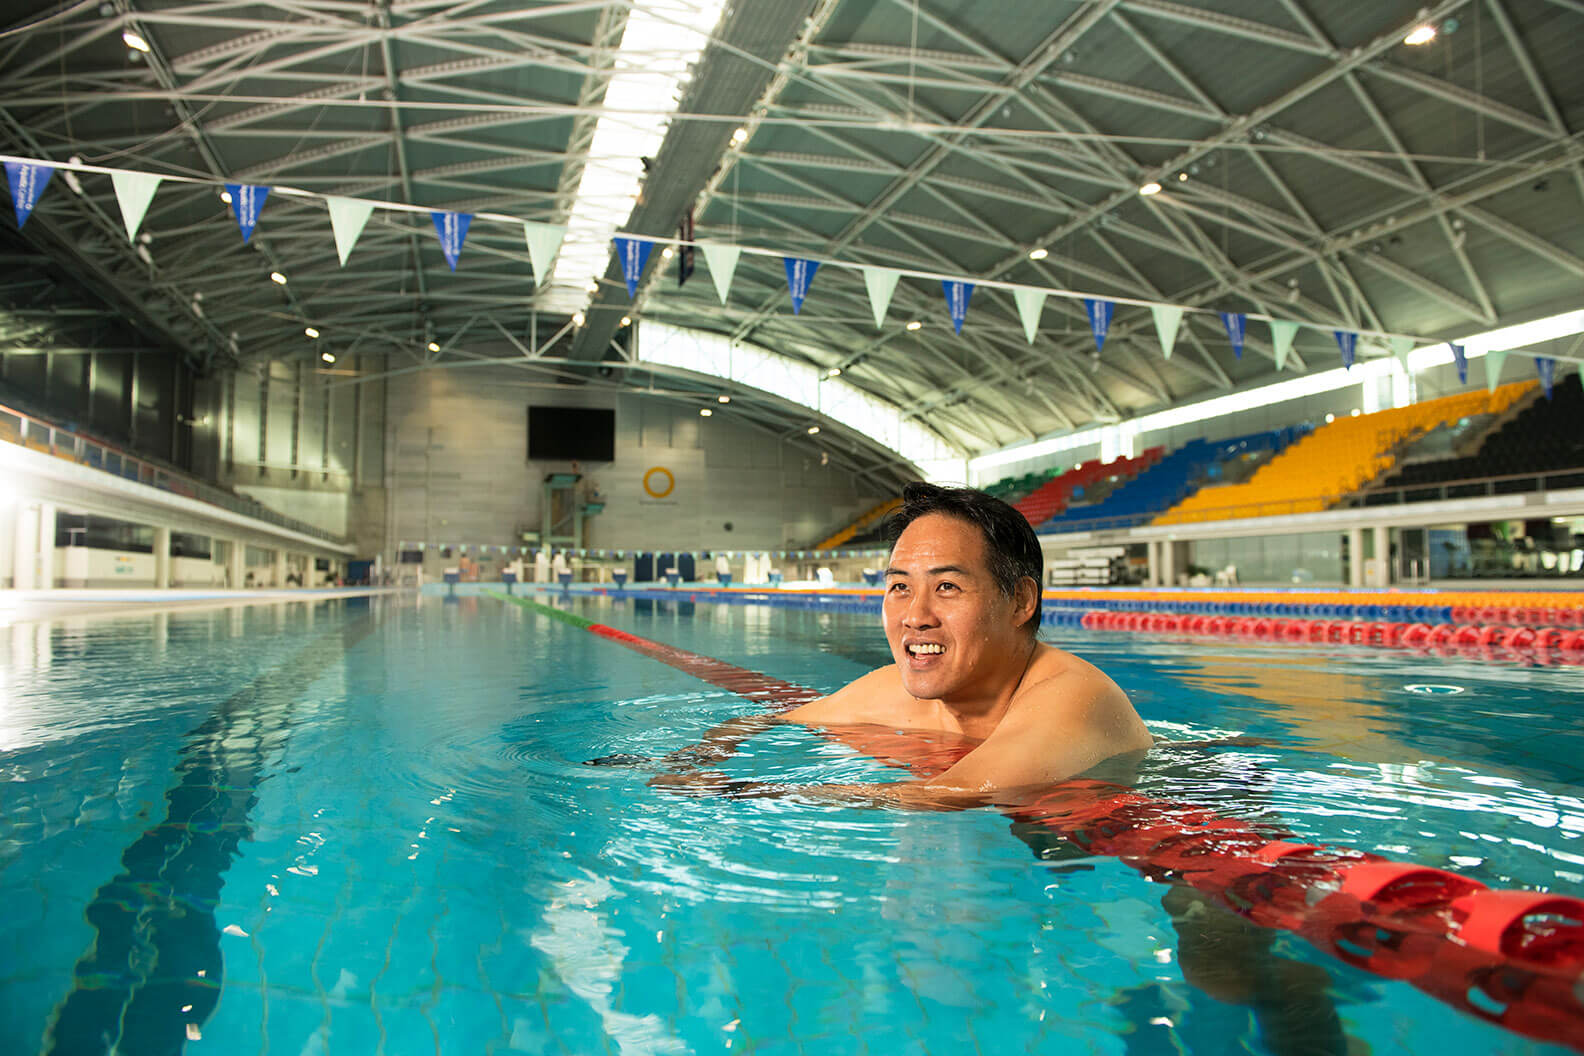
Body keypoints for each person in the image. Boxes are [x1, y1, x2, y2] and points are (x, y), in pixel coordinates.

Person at [642, 482, 1154, 808]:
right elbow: (771, 719)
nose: (915, 615)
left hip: (1179, 830)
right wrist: (701, 755)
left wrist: (743, 792)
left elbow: (951, 793)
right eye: (900, 586)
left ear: (1020, 601)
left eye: (947, 587)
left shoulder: (1074, 695)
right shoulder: (896, 693)